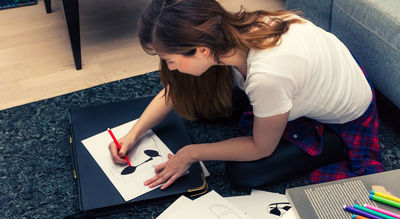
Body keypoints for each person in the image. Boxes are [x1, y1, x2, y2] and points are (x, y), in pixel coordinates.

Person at [109, 0, 384, 190]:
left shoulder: (267, 76)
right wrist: (134, 134)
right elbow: (176, 91)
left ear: (201, 51)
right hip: (319, 82)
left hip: (345, 119)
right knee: (205, 100)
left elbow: (261, 147)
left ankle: (333, 145)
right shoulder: (229, 31)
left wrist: (191, 153)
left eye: (169, 59)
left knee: (244, 172)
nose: (168, 67)